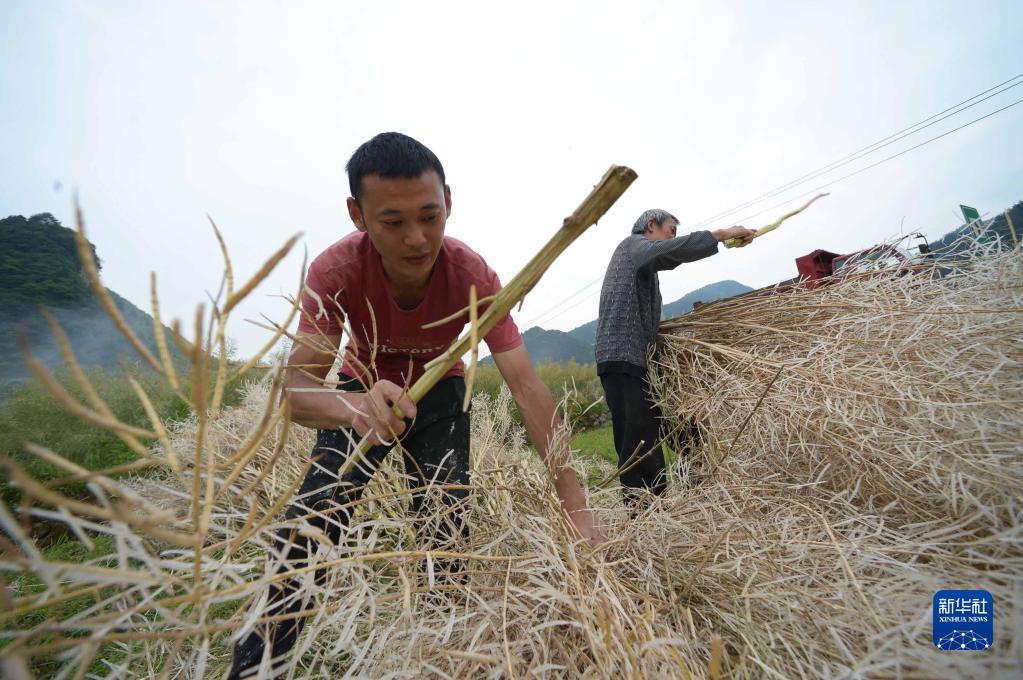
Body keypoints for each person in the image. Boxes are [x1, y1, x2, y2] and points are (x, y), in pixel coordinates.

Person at [228, 132, 605, 678]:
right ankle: (258, 667)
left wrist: (576, 506)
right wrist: (356, 407)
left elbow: (527, 387)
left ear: (449, 200)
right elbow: (296, 392)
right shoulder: (335, 272)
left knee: (445, 541)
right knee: (305, 533)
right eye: (393, 221)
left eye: (430, 216)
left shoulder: (475, 278)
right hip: (360, 391)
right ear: (358, 215)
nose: (417, 238)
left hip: (442, 398)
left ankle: (445, 658)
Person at [594, 210, 754, 506]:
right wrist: (720, 234)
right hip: (622, 358)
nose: (672, 238)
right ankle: (646, 518)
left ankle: (697, 491)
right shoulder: (632, 246)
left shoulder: (642, 268)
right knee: (638, 443)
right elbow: (667, 252)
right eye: (670, 231)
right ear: (651, 226)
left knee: (680, 424)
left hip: (639, 361)